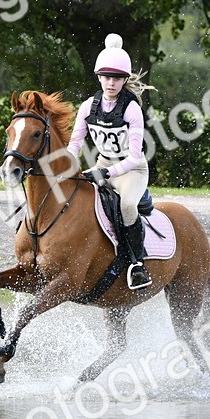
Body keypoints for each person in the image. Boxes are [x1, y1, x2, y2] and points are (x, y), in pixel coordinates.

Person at [65, 33, 155, 290]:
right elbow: (75, 145)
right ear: (99, 78)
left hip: (132, 170)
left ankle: (138, 265)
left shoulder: (131, 109)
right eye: (106, 77)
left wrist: (104, 174)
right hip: (103, 164)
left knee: (127, 205)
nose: (110, 83)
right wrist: (69, 166)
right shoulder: (87, 107)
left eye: (116, 78)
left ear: (124, 80)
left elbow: (135, 157)